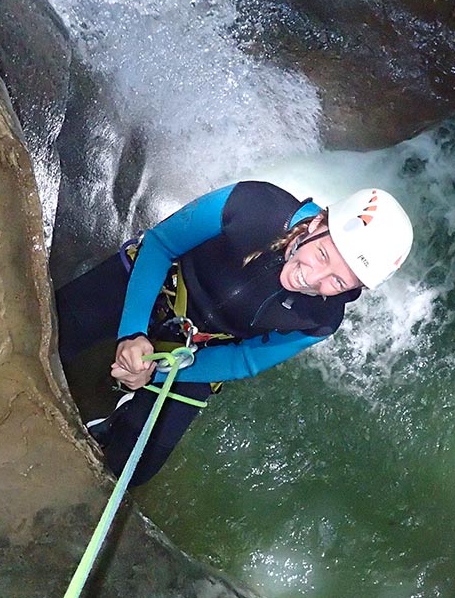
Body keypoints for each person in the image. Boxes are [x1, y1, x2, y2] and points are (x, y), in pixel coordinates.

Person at [55, 180, 413, 486]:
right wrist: (132, 333)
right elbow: (161, 245)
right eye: (322, 254)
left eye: (338, 281)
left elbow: (244, 359)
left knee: (131, 470)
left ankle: (118, 416)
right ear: (319, 222)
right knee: (50, 335)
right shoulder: (252, 206)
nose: (312, 279)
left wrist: (158, 369)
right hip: (156, 283)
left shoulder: (320, 318)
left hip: (195, 350)